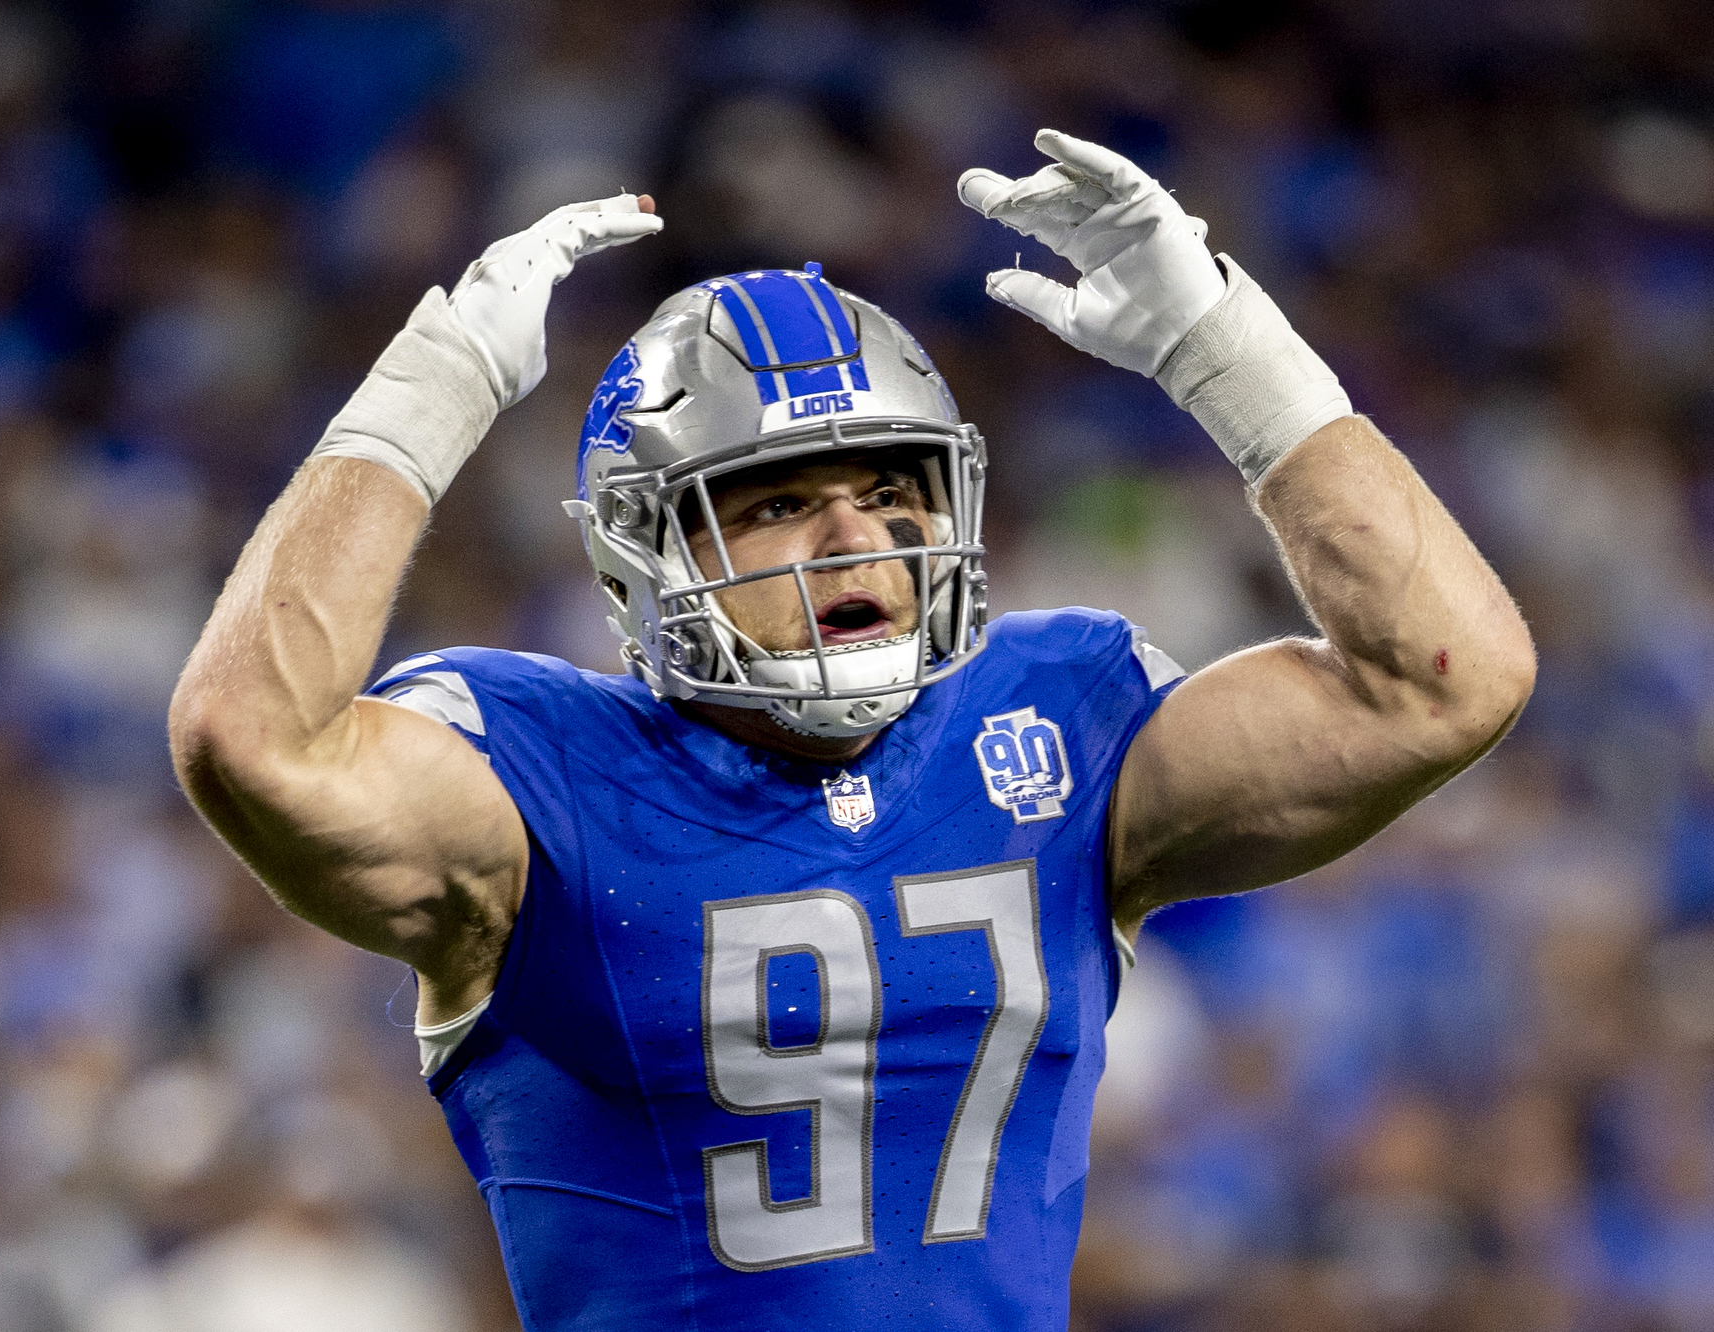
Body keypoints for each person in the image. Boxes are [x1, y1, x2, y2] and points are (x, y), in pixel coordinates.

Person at [167, 130, 1535, 1330]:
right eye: (776, 503)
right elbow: (254, 740)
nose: (857, 535)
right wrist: (428, 395)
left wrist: (1235, 353)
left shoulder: (1051, 727)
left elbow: (1442, 680)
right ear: (647, 556)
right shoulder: (540, 780)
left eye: (893, 491)